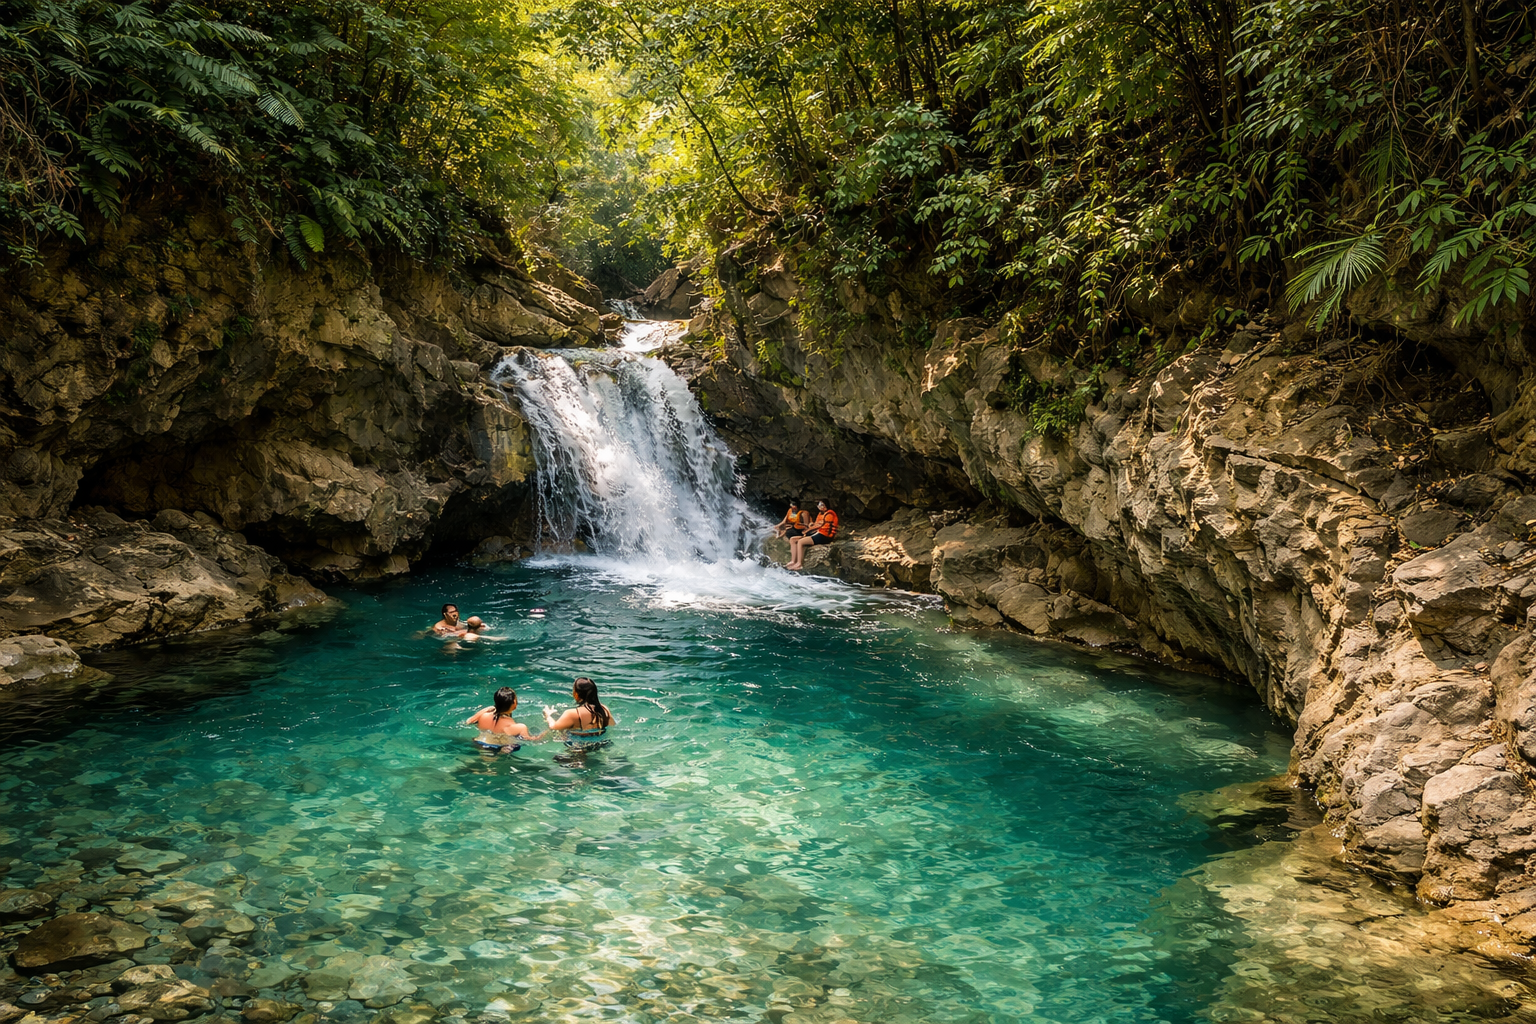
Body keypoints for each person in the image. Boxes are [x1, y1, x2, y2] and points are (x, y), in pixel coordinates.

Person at [543, 677, 617, 749]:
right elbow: (612, 724)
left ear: (576, 694)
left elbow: (553, 727)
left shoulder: (571, 714)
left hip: (578, 748)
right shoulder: (604, 709)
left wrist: (548, 715)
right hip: (601, 744)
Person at [465, 686, 535, 753]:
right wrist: (546, 720)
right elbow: (534, 741)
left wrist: (487, 709)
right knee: (515, 745)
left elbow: (468, 721)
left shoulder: (483, 716)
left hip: (479, 743)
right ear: (514, 703)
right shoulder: (519, 727)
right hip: (498, 748)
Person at [785, 500, 838, 569]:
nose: (820, 506)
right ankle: (793, 560)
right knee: (793, 539)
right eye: (819, 505)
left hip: (824, 536)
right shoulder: (820, 514)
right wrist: (811, 525)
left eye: (822, 505)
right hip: (818, 533)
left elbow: (823, 528)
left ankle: (799, 563)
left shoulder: (829, 514)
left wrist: (809, 532)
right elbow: (817, 524)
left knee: (801, 542)